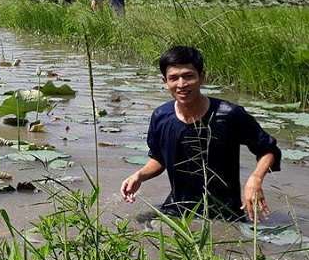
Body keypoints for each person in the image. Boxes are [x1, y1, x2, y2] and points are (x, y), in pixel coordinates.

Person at [120, 46, 281, 221]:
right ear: (165, 81)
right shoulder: (161, 116)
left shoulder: (229, 114)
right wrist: (139, 175)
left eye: (188, 76)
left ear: (201, 77)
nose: (181, 84)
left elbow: (268, 149)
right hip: (177, 209)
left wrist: (255, 179)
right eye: (174, 78)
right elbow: (160, 158)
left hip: (224, 214)